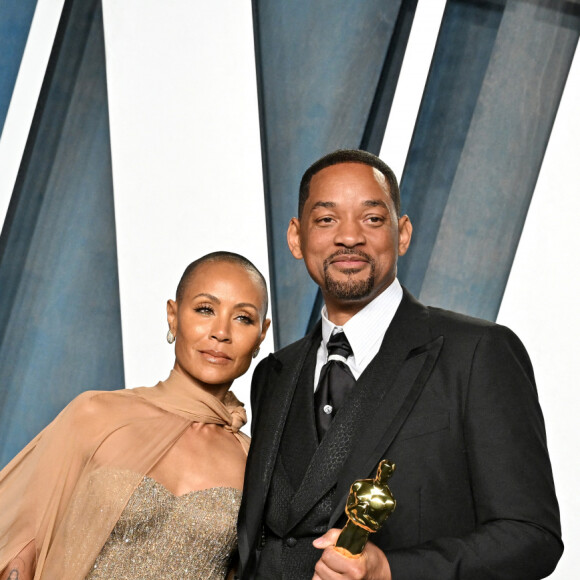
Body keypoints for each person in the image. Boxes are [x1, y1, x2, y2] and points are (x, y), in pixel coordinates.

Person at [237, 150, 563, 579]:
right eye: (326, 219)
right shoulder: (273, 373)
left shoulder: (478, 353)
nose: (349, 237)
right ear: (296, 238)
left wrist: (391, 570)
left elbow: (531, 536)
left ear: (402, 233)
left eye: (372, 219)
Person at [0, 251, 271, 580]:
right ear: (173, 316)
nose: (220, 332)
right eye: (205, 309)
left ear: (262, 334)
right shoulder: (96, 416)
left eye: (243, 318)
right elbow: (20, 555)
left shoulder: (256, 462)